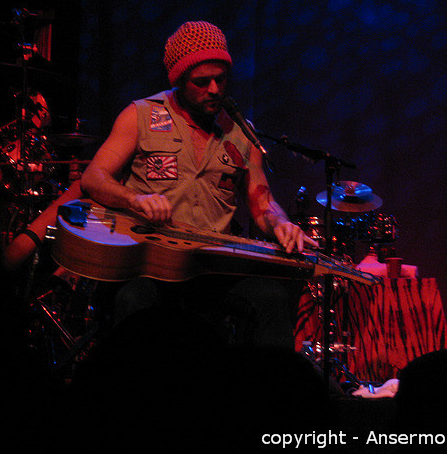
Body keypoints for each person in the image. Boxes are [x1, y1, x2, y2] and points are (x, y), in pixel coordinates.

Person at [79, 20, 317, 348]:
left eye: (220, 79)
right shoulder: (141, 116)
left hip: (212, 268)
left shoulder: (240, 133)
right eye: (202, 82)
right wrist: (135, 199)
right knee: (133, 300)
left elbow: (262, 202)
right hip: (151, 263)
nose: (215, 90)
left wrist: (281, 224)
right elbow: (94, 178)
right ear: (179, 80)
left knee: (271, 298)